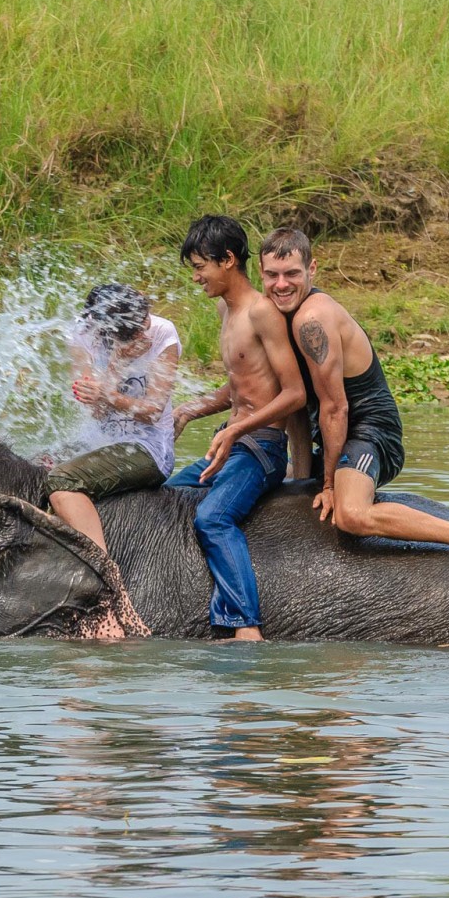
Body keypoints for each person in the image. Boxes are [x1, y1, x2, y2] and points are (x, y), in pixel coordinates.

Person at [257, 227, 449, 566]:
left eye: (292, 274)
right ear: (260, 273)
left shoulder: (311, 318)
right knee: (278, 474)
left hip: (370, 432)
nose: (281, 284)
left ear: (312, 270)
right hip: (334, 434)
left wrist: (331, 486)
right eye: (272, 275)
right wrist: (304, 481)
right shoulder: (275, 319)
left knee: (351, 515)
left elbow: (335, 407)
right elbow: (299, 410)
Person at [168, 215, 306, 641]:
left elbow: (294, 393)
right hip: (234, 438)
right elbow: (241, 383)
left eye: (199, 267)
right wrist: (192, 410)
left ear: (227, 260)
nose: (196, 278)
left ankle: (246, 625)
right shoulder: (224, 308)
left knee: (213, 518)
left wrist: (235, 430)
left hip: (261, 449)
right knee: (170, 494)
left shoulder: (262, 313)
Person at [48, 283, 182, 558]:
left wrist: (107, 393)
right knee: (38, 465)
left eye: (145, 318)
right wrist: (116, 363)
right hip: (100, 440)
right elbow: (97, 413)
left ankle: (101, 565)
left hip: (148, 448)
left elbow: (152, 411)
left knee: (62, 478)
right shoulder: (84, 333)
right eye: (138, 327)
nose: (146, 328)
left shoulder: (162, 333)